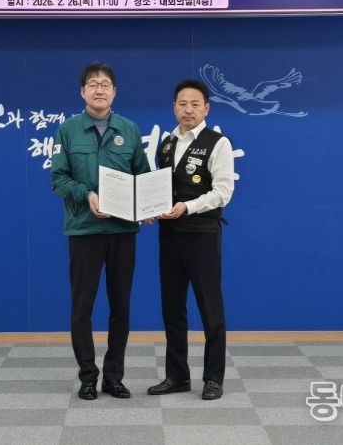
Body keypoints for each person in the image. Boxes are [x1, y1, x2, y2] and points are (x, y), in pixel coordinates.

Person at [50, 61, 150, 400]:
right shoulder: (68, 130)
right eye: (92, 84)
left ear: (114, 92)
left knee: (121, 307)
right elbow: (58, 179)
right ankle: (88, 377)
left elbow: (143, 177)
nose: (99, 89)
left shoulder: (129, 129)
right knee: (82, 308)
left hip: (122, 232)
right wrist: (86, 195)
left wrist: (147, 206)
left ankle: (114, 377)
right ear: (82, 92)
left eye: (105, 84)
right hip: (84, 231)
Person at [147, 79, 234, 401]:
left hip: (202, 237)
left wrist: (188, 206)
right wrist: (148, 209)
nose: (188, 109)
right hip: (169, 237)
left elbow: (223, 192)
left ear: (206, 109)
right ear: (174, 107)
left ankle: (213, 378)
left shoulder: (218, 143)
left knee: (211, 310)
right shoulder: (167, 143)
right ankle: (177, 376)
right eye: (182, 104)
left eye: (195, 104)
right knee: (172, 309)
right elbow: (159, 188)